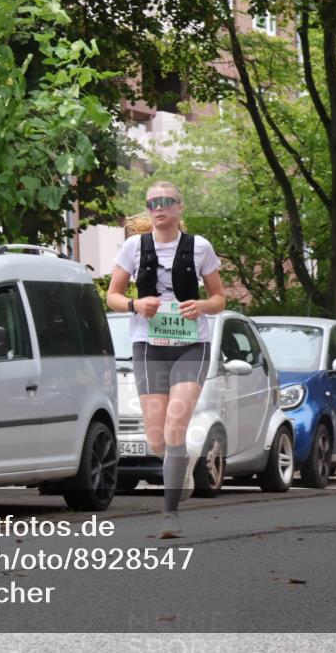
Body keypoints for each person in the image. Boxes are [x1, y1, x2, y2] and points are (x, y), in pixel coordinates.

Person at [107, 181, 226, 537]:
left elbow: (220, 299)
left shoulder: (199, 247)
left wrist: (201, 305)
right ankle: (179, 463)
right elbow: (112, 296)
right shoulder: (134, 247)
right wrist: (135, 304)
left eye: (166, 202)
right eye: (152, 202)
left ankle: (169, 514)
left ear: (179, 207)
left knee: (176, 426)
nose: (159, 207)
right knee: (158, 438)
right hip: (149, 345)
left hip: (192, 345)